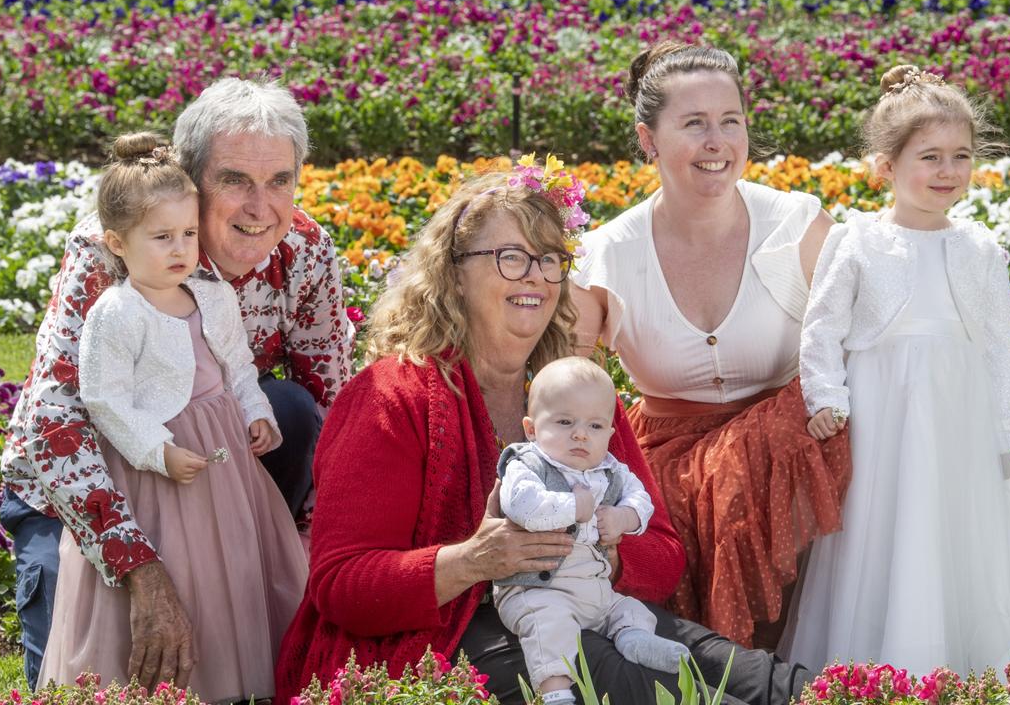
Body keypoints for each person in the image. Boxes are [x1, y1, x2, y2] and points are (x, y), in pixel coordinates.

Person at [274, 161, 811, 705]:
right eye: (510, 257)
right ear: (454, 272)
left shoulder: (574, 393)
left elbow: (664, 553)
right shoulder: (390, 395)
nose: (534, 275)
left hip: (589, 606)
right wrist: (475, 560)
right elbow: (341, 585)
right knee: (665, 690)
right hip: (443, 635)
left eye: (549, 259)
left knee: (755, 679)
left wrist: (606, 541)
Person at [0, 78, 351, 690]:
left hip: (218, 477)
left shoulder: (304, 248)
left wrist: (313, 546)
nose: (260, 207)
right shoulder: (113, 250)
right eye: (234, 179)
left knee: (291, 409)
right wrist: (137, 567)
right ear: (189, 179)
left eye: (280, 181)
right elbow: (53, 422)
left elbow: (335, 401)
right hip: (89, 487)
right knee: (80, 681)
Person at [786, 65, 1010, 676]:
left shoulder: (979, 249)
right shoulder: (857, 241)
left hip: (956, 417)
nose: (948, 172)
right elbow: (823, 329)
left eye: (961, 156)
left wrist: (1007, 432)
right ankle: (874, 662)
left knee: (953, 529)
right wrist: (826, 397)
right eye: (930, 157)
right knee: (882, 529)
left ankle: (961, 659)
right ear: (886, 167)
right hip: (881, 413)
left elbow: (1000, 346)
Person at [570, 41, 851, 649]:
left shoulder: (796, 223)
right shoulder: (609, 254)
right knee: (666, 498)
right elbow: (559, 376)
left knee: (791, 438)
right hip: (671, 451)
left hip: (790, 446)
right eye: (693, 124)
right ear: (648, 140)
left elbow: (870, 335)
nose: (716, 141)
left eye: (730, 121)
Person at [37, 133, 307, 700]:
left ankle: (231, 679)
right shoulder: (116, 310)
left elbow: (238, 365)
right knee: (178, 563)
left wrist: (257, 412)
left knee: (225, 565)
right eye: (162, 238)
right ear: (117, 242)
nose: (181, 248)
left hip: (222, 459)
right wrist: (154, 450)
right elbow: (103, 398)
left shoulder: (209, 294)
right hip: (152, 465)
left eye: (188, 234)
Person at [495, 356, 690, 705]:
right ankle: (555, 692)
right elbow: (521, 506)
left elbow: (642, 501)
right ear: (531, 429)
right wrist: (573, 507)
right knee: (548, 625)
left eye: (596, 427)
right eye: (565, 422)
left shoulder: (610, 470)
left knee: (629, 609)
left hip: (594, 592)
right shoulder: (526, 464)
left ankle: (633, 638)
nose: (581, 434)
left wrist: (623, 518)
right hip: (537, 588)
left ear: (611, 433)